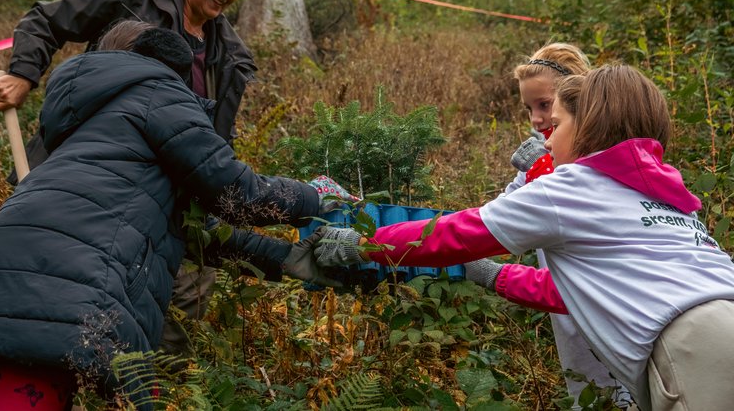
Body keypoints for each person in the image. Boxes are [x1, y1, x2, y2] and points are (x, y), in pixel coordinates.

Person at [0, 23, 346, 410]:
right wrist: (317, 195)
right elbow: (238, 194)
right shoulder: (154, 91)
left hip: (8, 270)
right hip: (71, 283)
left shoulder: (82, 119)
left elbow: (188, 229)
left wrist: (286, 259)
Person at [314, 64, 734, 411]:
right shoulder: (665, 199)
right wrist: (491, 275)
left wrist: (361, 243)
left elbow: (456, 234)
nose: (547, 138)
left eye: (556, 124)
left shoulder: (572, 187)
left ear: (587, 125)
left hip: (693, 349)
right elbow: (574, 293)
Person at [0, 0, 265, 356]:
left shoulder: (228, 53)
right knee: (65, 287)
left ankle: (147, 390)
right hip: (91, 179)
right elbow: (46, 18)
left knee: (189, 290)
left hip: (165, 195)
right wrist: (24, 74)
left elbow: (213, 137)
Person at [468, 43, 635, 408]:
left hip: (614, 310)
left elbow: (582, 195)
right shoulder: (537, 156)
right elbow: (499, 215)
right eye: (529, 108)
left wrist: (546, 170)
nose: (535, 119)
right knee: (587, 392)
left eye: (545, 105)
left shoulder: (611, 152)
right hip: (564, 307)